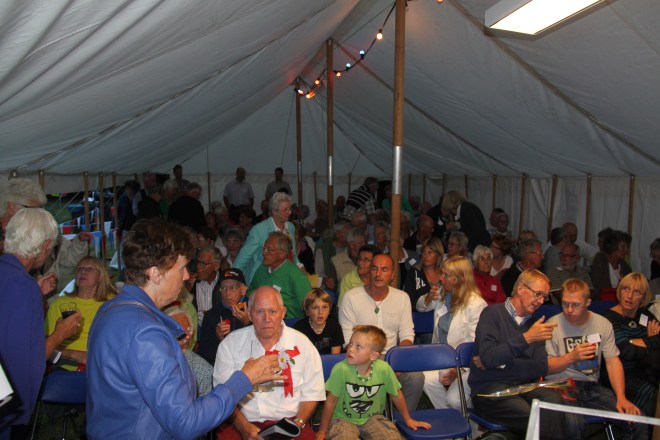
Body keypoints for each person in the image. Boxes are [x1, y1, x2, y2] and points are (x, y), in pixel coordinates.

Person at [86, 218, 282, 438]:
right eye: (181, 268)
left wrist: (168, 348)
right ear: (155, 274)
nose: (187, 275)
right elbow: (186, 422)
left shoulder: (112, 309)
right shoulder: (146, 334)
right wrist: (244, 379)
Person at [0, 208, 81, 437]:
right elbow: (24, 359)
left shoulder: (8, 274)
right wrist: (60, 334)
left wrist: (35, 292)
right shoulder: (22, 286)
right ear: (45, 245)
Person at [213, 286, 326, 440]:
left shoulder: (303, 345)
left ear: (283, 313)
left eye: (272, 311)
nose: (267, 319)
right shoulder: (230, 344)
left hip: (290, 422)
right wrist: (243, 427)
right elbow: (223, 395)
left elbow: (312, 393)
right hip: (241, 422)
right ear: (249, 314)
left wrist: (297, 425)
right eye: (259, 312)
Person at [468, 269, 569, 439]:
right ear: (521, 289)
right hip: (489, 391)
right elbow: (489, 358)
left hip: (525, 387)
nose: (541, 301)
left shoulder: (536, 325)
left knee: (554, 404)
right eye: (538, 294)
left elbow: (540, 367)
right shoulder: (492, 314)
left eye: (544, 297)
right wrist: (526, 339)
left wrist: (502, 364)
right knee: (533, 418)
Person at [545, 278, 644, 440]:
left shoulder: (602, 324)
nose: (569, 310)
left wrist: (621, 397)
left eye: (576, 305)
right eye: (565, 304)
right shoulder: (552, 325)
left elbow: (613, 362)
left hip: (591, 387)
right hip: (560, 386)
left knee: (636, 421)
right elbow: (546, 368)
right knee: (573, 427)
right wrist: (571, 357)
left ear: (588, 302)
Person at [339, 254, 423, 412]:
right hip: (361, 357)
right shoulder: (351, 298)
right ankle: (372, 418)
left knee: (416, 377)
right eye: (374, 269)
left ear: (392, 275)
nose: (378, 274)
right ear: (369, 272)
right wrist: (372, 362)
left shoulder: (402, 298)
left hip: (393, 355)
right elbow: (347, 338)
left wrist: (398, 360)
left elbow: (406, 334)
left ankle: (403, 419)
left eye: (384, 269)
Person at [317, 325, 431, 440]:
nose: (350, 349)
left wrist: (408, 419)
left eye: (358, 346)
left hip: (373, 418)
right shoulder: (341, 369)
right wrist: (323, 430)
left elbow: (396, 395)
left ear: (373, 355)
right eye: (351, 343)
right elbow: (331, 401)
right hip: (342, 419)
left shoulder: (384, 369)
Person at [416, 256, 487, 410]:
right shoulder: (443, 293)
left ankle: (467, 416)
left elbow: (475, 345)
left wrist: (458, 370)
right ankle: (450, 416)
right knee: (426, 379)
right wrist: (428, 298)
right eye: (441, 273)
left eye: (446, 275)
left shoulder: (476, 304)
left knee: (454, 400)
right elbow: (420, 307)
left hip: (464, 363)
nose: (441, 279)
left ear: (460, 279)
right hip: (441, 357)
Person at [601, 273, 660, 417]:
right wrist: (650, 341)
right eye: (626, 289)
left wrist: (634, 342)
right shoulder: (608, 318)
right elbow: (625, 350)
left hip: (648, 371)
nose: (629, 296)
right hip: (621, 377)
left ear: (643, 297)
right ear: (619, 291)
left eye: (636, 292)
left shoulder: (644, 315)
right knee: (653, 393)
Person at [45, 256, 117, 368]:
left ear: (101, 276)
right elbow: (45, 345)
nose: (83, 272)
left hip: (101, 365)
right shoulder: (59, 304)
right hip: (65, 365)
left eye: (90, 269)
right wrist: (74, 354)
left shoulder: (113, 304)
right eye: (80, 269)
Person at [234, 191, 298, 285]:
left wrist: (300, 266)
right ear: (274, 211)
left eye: (289, 209)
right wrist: (233, 279)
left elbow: (293, 254)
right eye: (285, 209)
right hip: (262, 280)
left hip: (285, 279)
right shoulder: (259, 230)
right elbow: (242, 258)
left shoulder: (290, 227)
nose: (290, 212)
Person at [248, 232, 311, 318]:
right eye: (264, 248)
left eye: (269, 250)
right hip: (261, 319)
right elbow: (250, 295)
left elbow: (310, 307)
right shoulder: (261, 269)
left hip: (289, 322)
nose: (263, 253)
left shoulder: (296, 276)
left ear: (282, 254)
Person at [197, 268, 251, 365]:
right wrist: (217, 338)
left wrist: (247, 324)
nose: (227, 293)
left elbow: (263, 344)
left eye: (233, 287)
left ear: (243, 290)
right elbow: (204, 356)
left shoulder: (255, 309)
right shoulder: (211, 315)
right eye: (223, 288)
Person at [293, 289, 344, 355]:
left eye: (324, 307)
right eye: (315, 308)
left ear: (329, 310)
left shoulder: (335, 327)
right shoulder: (298, 328)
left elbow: (335, 357)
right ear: (307, 311)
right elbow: (297, 356)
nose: (321, 312)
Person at [402, 236, 445, 308]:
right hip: (417, 314)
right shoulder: (413, 272)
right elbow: (408, 301)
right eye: (424, 252)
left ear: (438, 254)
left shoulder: (445, 272)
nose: (426, 255)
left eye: (430, 252)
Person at [591, 230, 632, 296]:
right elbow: (597, 283)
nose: (626, 250)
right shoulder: (601, 258)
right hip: (603, 298)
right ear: (613, 246)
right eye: (623, 247)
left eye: (627, 247)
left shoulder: (624, 265)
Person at [193, 245, 223, 326]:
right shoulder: (192, 283)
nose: (198, 266)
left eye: (203, 263)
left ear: (216, 266)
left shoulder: (225, 283)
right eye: (197, 262)